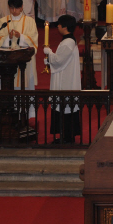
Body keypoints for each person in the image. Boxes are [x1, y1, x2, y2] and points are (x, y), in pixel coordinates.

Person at [44, 15, 81, 143]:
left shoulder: (67, 43)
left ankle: (67, 137)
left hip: (66, 81)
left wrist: (49, 53)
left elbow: (59, 60)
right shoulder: (68, 41)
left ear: (65, 27)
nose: (58, 26)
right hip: (66, 77)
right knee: (64, 108)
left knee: (65, 108)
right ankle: (65, 136)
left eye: (59, 24)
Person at [0, 0, 38, 95]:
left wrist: (20, 36)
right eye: (12, 8)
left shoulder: (30, 21)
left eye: (17, 8)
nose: (14, 11)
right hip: (8, 62)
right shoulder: (3, 21)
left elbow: (34, 40)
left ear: (22, 7)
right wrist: (8, 38)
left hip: (24, 61)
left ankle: (25, 110)